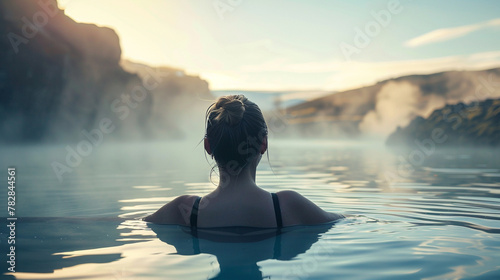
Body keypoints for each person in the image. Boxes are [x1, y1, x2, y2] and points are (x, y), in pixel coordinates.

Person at [144, 95, 343, 228]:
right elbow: (351, 221)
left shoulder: (183, 211)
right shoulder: (288, 206)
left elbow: (121, 223)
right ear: (263, 144)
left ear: (208, 146)